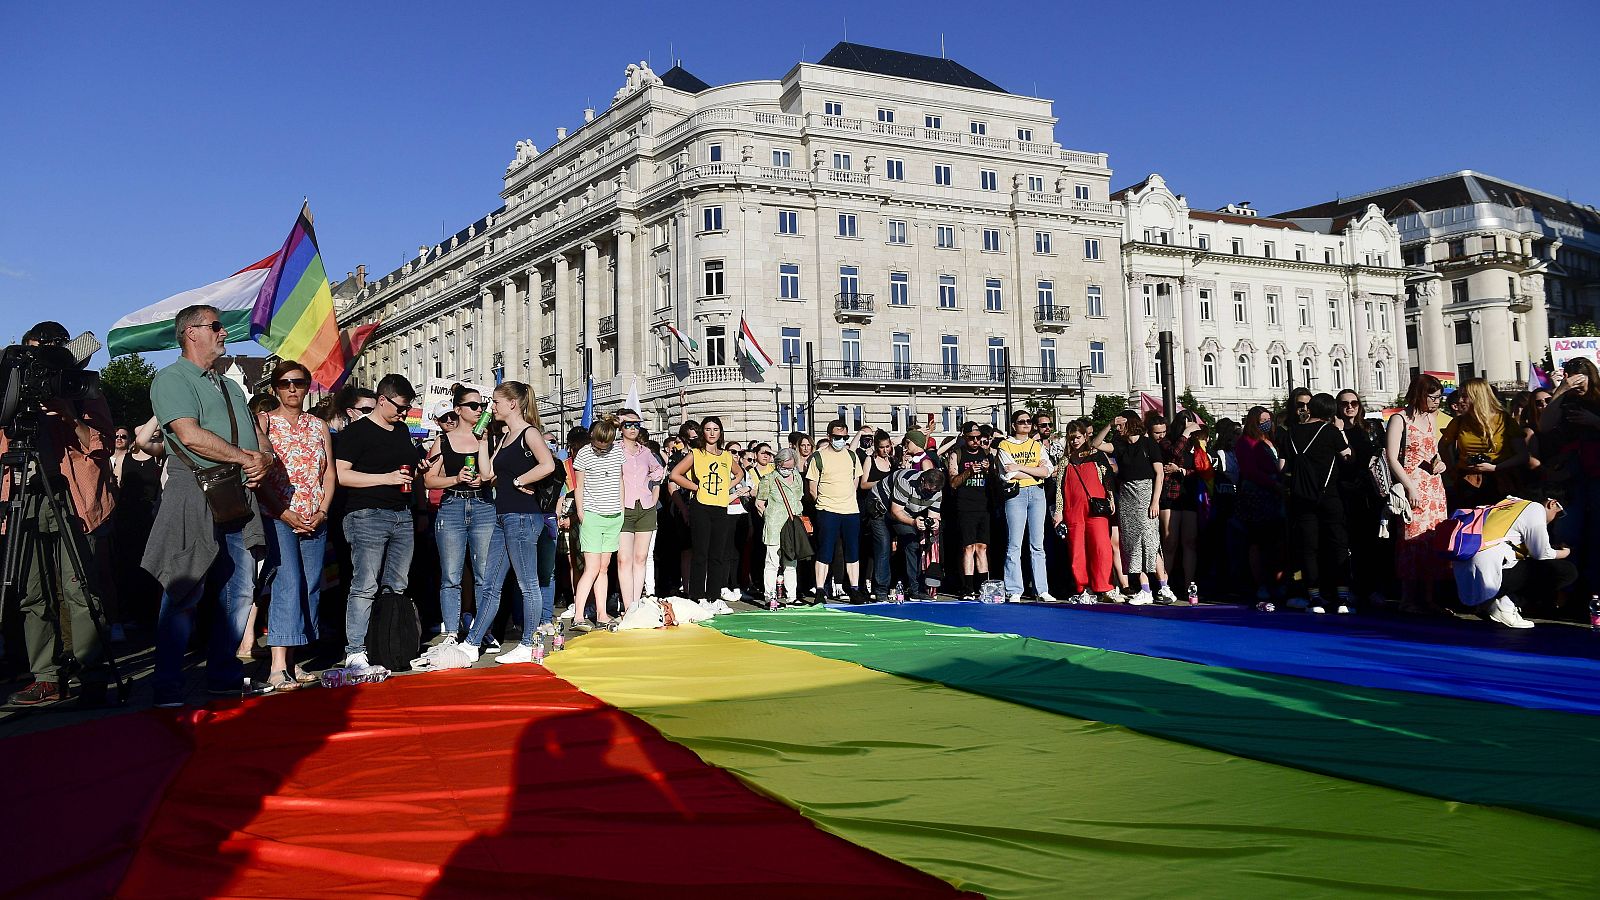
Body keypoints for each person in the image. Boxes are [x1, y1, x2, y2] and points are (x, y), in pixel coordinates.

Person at [144, 306, 274, 708]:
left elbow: (258, 437)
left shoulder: (231, 386)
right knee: (184, 586)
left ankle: (223, 674)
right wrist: (247, 459)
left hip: (237, 492)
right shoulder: (172, 378)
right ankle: (168, 685)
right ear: (191, 333)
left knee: (240, 589)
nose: (224, 332)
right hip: (194, 488)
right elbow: (189, 435)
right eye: (216, 326)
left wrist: (265, 458)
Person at [0, 322, 117, 705]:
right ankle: (47, 677)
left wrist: (69, 414)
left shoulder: (77, 387)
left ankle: (92, 676)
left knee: (80, 589)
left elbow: (102, 445)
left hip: (73, 497)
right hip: (24, 495)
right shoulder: (10, 385)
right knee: (32, 593)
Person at [257, 360, 335, 690]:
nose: (292, 388)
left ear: (307, 387)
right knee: (287, 583)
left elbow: (329, 473)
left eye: (299, 382)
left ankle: (292, 661)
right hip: (278, 516)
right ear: (275, 388)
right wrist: (283, 512)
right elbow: (258, 474)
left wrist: (323, 511)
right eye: (285, 383)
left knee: (310, 586)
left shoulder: (319, 425)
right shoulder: (264, 422)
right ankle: (277, 666)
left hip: (314, 516)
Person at [333, 372, 420, 670]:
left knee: (397, 584)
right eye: (400, 407)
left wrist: (419, 466)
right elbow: (342, 475)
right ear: (382, 400)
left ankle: (388, 643)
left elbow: (406, 467)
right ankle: (356, 649)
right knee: (365, 584)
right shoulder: (356, 432)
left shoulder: (402, 430)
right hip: (367, 514)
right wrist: (386, 478)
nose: (403, 413)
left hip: (402, 514)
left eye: (407, 408)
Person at [422, 386, 493, 644]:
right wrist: (455, 479)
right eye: (473, 406)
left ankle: (482, 631)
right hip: (452, 506)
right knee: (451, 576)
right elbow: (429, 480)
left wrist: (484, 479)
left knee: (484, 575)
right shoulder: (443, 441)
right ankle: (451, 632)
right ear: (458, 410)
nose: (479, 410)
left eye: (482, 405)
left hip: (483, 506)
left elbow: (494, 474)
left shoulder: (488, 438)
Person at [1279, 393, 1353, 614]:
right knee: (1338, 544)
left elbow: (1281, 467)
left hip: (1302, 497)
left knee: (1308, 548)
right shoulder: (1330, 431)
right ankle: (1342, 598)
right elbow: (1348, 457)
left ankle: (1315, 598)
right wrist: (1341, 431)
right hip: (1329, 495)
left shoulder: (1291, 433)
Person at [1453, 497, 1574, 628]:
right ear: (1552, 504)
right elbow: (1541, 554)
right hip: (1487, 578)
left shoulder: (1509, 503)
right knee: (1566, 571)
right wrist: (1565, 553)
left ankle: (1489, 604)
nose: (1555, 520)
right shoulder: (1536, 509)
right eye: (1558, 514)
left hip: (1466, 577)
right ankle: (1506, 604)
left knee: (1532, 566)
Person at [1386, 373, 1449, 615]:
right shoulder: (1399, 419)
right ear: (1419, 395)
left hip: (1434, 486)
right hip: (1412, 485)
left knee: (1433, 539)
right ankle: (1408, 598)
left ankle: (1429, 598)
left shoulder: (1432, 418)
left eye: (1439, 397)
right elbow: (1392, 457)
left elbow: (1433, 451)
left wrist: (1440, 463)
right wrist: (1410, 486)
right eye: (1432, 397)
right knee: (1410, 540)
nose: (1436, 402)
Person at [1093, 411, 1169, 604]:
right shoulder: (1119, 445)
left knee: (1150, 542)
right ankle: (1145, 589)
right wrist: (1109, 425)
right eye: (1117, 425)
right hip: (1127, 496)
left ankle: (1164, 587)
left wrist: (1155, 501)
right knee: (1133, 544)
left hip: (1146, 494)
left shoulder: (1148, 443)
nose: (1118, 428)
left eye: (1121, 425)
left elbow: (1159, 474)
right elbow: (1096, 444)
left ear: (1130, 423)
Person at [1541, 357, 1600, 594]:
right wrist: (1561, 390)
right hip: (1571, 472)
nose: (1577, 386)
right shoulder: (1566, 398)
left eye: (1579, 380)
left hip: (1597, 468)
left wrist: (1595, 421)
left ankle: (1594, 586)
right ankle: (1568, 588)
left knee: (1597, 530)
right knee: (1569, 530)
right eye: (1571, 379)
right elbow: (1545, 426)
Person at [669, 415, 743, 602]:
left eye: (715, 429)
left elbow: (739, 473)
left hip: (720, 506)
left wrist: (727, 486)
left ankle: (714, 597)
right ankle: (698, 596)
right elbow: (675, 475)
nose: (712, 433)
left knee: (717, 554)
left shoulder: (726, 456)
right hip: (701, 506)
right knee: (700, 553)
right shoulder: (696, 453)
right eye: (708, 429)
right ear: (703, 432)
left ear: (720, 433)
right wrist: (696, 487)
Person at [571, 415, 626, 630]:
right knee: (592, 568)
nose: (600, 450)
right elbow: (579, 486)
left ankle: (602, 614)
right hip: (592, 515)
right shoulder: (584, 453)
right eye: (597, 446)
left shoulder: (618, 452)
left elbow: (619, 480)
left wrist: (621, 509)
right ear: (592, 437)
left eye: (605, 447)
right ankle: (578, 615)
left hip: (613, 516)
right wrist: (581, 513)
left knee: (604, 567)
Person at [1054, 419, 1116, 604]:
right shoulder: (1065, 461)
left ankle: (1105, 587)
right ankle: (1083, 587)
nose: (1075, 441)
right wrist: (1059, 511)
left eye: (1078, 437)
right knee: (1077, 550)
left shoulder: (1097, 455)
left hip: (1096, 508)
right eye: (1071, 438)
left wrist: (1111, 498)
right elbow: (1059, 488)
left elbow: (1108, 478)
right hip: (1073, 510)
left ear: (1085, 436)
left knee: (1101, 548)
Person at [997, 410, 1056, 603]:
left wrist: (1020, 467)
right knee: (1014, 543)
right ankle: (1014, 589)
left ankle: (1042, 589)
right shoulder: (1005, 445)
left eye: (1029, 421)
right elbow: (1008, 473)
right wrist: (1035, 472)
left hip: (1037, 494)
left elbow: (1047, 471)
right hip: (1016, 494)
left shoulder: (1037, 445)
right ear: (1013, 425)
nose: (1026, 424)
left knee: (1038, 544)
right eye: (1021, 421)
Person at [1334, 389, 1386, 606]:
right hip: (1346, 491)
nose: (1349, 407)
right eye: (1344, 403)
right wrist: (1340, 432)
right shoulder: (1334, 431)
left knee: (1372, 542)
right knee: (1352, 543)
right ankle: (1355, 587)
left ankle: (1373, 587)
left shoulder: (1371, 427)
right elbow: (1346, 461)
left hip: (1371, 491)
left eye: (1354, 403)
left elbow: (1379, 454)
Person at [1441, 378, 1525, 510]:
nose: (1460, 401)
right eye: (1459, 396)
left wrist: (1495, 467)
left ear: (1478, 397)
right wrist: (1451, 469)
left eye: (1464, 396)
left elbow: (1522, 456)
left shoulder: (1505, 421)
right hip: (1468, 481)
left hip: (1500, 481)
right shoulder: (1459, 422)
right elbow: (1443, 446)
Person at [803, 419, 863, 602]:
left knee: (852, 551)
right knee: (825, 551)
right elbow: (812, 488)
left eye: (845, 437)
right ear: (829, 437)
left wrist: (848, 498)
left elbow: (856, 480)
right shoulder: (818, 457)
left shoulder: (852, 456)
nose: (841, 440)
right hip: (827, 510)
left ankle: (854, 589)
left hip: (850, 510)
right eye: (837, 437)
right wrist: (824, 503)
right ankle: (820, 590)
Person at [616, 408, 664, 611]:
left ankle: (636, 603)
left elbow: (659, 471)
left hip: (645, 507)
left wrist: (653, 496)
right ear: (620, 427)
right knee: (623, 559)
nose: (633, 428)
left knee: (641, 557)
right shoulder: (614, 449)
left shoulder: (646, 452)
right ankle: (628, 606)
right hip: (623, 507)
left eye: (636, 424)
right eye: (627, 424)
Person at [1235, 406, 1284, 602]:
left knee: (1276, 542)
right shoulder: (1245, 442)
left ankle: (1276, 582)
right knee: (1258, 542)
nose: (1266, 423)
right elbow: (1250, 471)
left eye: (1268, 420)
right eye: (1262, 420)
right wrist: (1273, 484)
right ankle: (1261, 583)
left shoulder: (1271, 440)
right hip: (1256, 495)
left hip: (1274, 494)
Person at [754, 446, 808, 605]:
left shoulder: (797, 478)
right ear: (777, 464)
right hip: (774, 526)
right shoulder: (769, 479)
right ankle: (770, 596)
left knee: (791, 562)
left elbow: (799, 498)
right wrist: (768, 517)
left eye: (790, 467)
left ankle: (792, 597)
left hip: (792, 526)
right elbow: (759, 502)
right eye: (783, 467)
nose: (787, 470)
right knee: (772, 562)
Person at [946, 422, 994, 599]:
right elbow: (953, 483)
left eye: (978, 438)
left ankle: (983, 586)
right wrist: (969, 472)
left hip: (984, 505)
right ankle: (967, 587)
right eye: (971, 438)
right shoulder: (957, 454)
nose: (976, 441)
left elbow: (995, 480)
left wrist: (988, 470)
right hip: (965, 506)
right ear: (964, 437)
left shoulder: (986, 453)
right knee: (968, 547)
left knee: (982, 547)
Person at [887, 464, 946, 599]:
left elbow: (934, 515)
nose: (929, 494)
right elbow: (895, 512)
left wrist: (934, 523)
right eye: (928, 490)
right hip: (887, 508)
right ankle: (882, 588)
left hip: (909, 512)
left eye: (933, 492)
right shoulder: (906, 481)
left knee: (915, 545)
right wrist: (914, 522)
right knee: (885, 547)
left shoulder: (936, 491)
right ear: (922, 481)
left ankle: (915, 588)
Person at [860, 430, 895, 598]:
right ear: (876, 447)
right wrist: (882, 483)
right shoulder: (870, 460)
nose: (885, 450)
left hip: (892, 509)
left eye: (887, 446)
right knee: (882, 546)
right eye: (882, 447)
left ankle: (889, 585)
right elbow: (863, 484)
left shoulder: (893, 461)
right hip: (875, 509)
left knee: (890, 548)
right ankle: (878, 587)